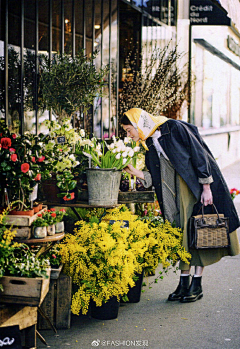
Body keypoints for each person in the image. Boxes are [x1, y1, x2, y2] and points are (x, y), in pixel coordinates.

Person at [120, 108, 240, 303]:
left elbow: (199, 154)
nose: (129, 135)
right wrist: (135, 172)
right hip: (174, 193)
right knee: (182, 232)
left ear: (137, 123)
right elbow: (156, 176)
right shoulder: (150, 141)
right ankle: (184, 282)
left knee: (199, 231)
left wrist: (206, 187)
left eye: (128, 130)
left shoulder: (173, 128)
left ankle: (197, 283)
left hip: (193, 187)